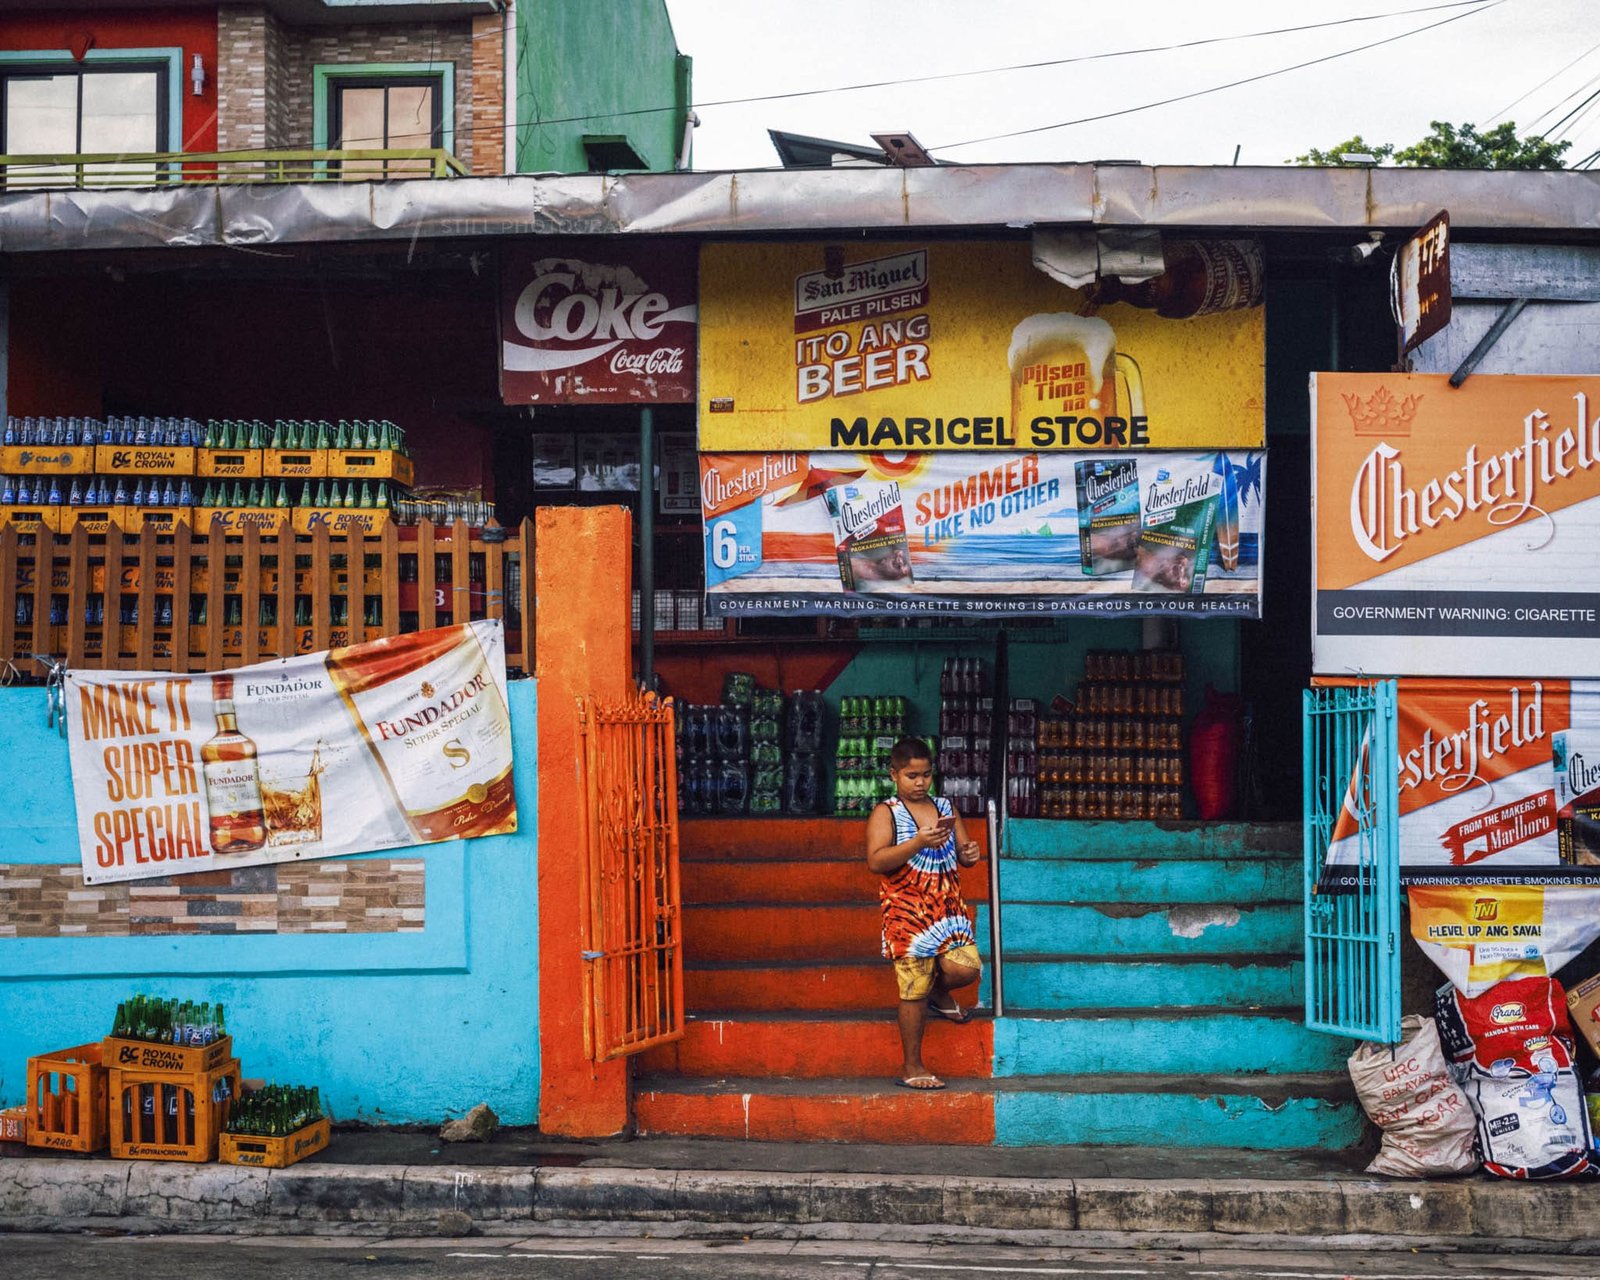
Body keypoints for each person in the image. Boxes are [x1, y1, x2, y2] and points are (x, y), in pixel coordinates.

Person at [865, 736, 983, 1091]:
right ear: (894, 775)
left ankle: (938, 993)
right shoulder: (885, 812)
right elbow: (875, 861)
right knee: (912, 989)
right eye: (911, 776)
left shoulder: (946, 807)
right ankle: (912, 1066)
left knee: (967, 968)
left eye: (926, 775)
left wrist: (970, 853)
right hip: (906, 913)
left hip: (949, 909)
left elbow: (963, 852)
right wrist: (917, 842)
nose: (919, 783)